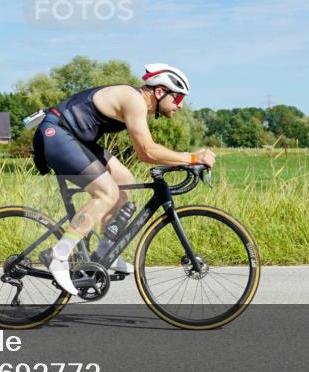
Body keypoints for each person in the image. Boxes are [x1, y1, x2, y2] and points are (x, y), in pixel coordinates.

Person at [32, 63, 216, 295]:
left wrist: (186, 160)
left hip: (76, 138)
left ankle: (104, 252)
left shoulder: (137, 102)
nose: (179, 106)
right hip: (58, 134)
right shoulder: (134, 100)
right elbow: (146, 152)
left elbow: (148, 152)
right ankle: (58, 255)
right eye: (178, 99)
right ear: (159, 92)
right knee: (106, 192)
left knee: (124, 180)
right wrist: (191, 158)